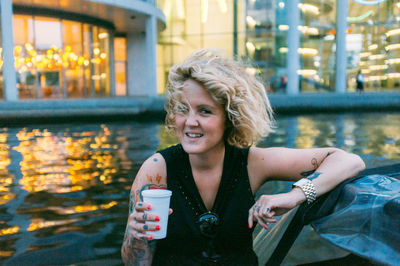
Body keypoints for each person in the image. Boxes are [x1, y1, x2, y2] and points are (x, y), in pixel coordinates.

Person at [121, 49, 365, 265]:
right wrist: (136, 237)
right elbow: (134, 262)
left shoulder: (251, 163)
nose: (190, 122)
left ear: (230, 118)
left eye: (205, 111)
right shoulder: (157, 169)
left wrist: (295, 195)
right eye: (183, 109)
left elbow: (349, 160)